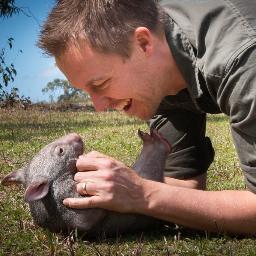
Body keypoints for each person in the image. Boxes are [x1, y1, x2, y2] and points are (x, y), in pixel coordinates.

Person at [38, 0, 256, 234]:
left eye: (100, 84)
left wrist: (142, 193)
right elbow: (185, 184)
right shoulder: (155, 78)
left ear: (143, 43)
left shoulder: (242, 62)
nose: (98, 107)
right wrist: (113, 192)